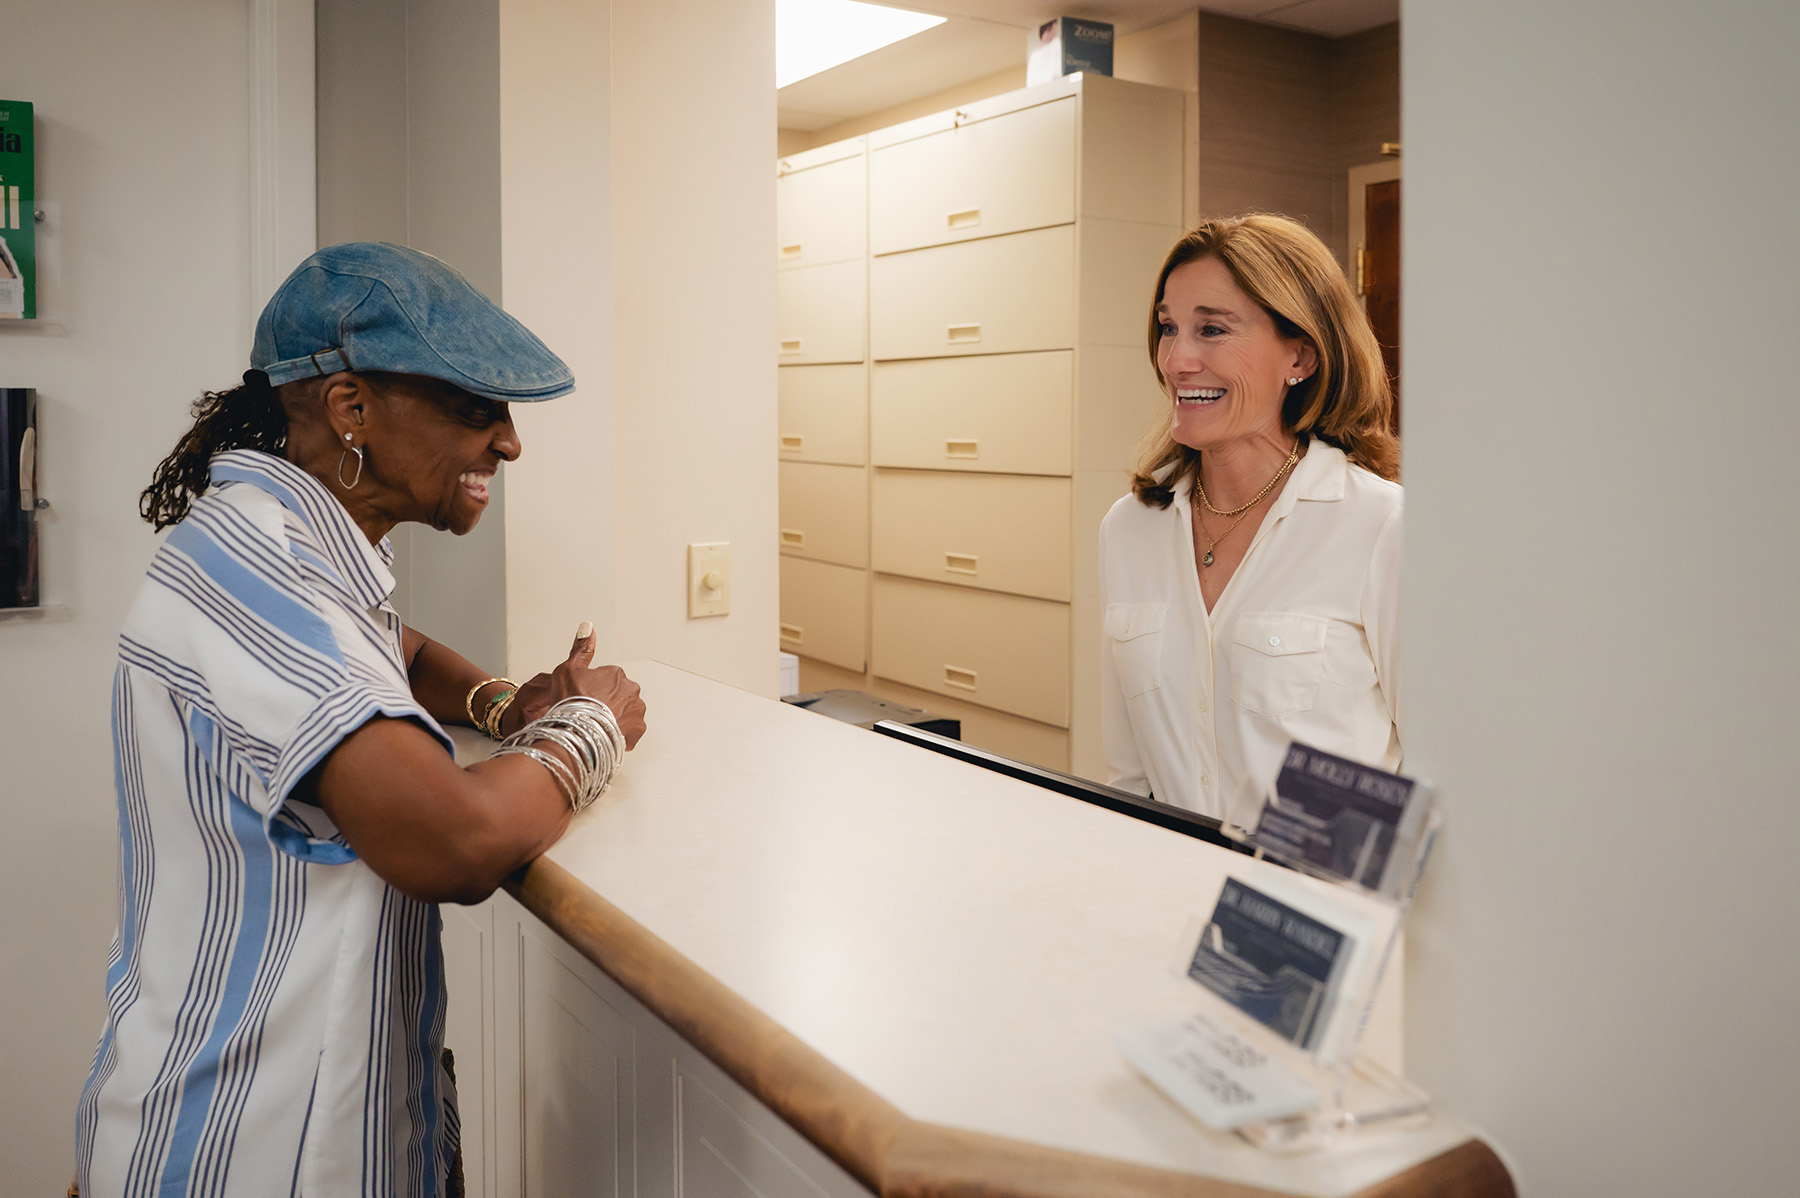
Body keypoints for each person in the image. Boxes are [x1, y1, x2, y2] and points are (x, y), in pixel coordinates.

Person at [71, 242, 647, 1198]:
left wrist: (505, 704)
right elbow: (451, 843)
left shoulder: (281, 542)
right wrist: (590, 728)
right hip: (244, 1152)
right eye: (476, 408)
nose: (508, 442)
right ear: (351, 410)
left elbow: (396, 653)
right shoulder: (261, 574)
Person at [1099, 214, 1401, 819]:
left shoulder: (1382, 526)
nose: (1177, 359)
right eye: (1168, 328)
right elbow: (1129, 775)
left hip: (1322, 907)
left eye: (1212, 329)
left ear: (1301, 356)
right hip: (1172, 897)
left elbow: (1442, 774)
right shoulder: (1129, 529)